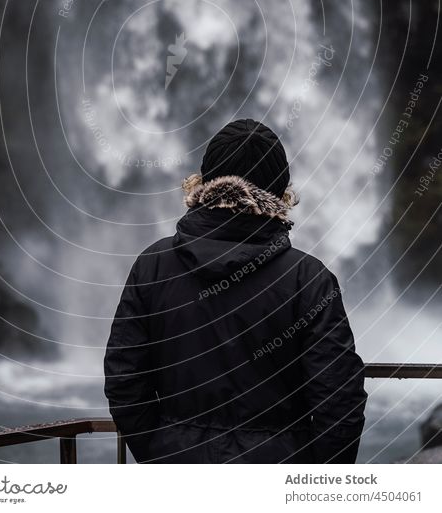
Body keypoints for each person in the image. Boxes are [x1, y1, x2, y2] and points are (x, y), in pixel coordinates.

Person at [104, 118, 367, 463]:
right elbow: (339, 401)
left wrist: (159, 451)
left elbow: (124, 379)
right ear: (280, 190)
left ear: (205, 181)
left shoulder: (152, 265)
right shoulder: (309, 279)